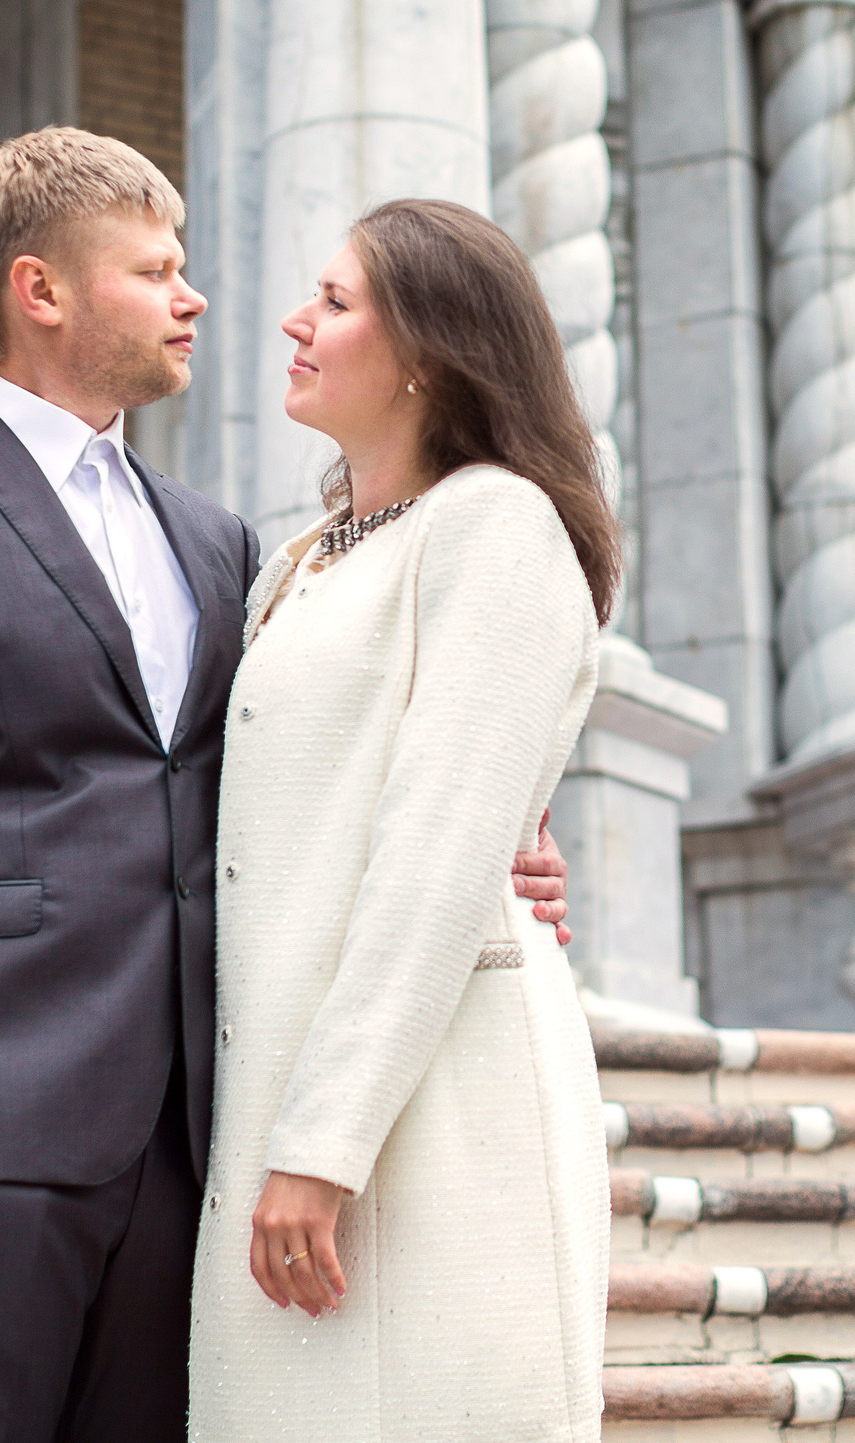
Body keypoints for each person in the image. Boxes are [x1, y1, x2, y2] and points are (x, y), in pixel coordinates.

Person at [0, 130, 572, 1443]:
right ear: (41, 290)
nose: (196, 297)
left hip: (194, 1146)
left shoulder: (226, 543)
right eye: (155, 271)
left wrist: (504, 848)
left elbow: (314, 769)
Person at [191, 200, 615, 1442]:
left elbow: (437, 853)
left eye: (334, 301)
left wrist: (322, 1144)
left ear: (429, 350)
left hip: (427, 1115)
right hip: (279, 1094)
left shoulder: (496, 524)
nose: (294, 321)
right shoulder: (301, 560)